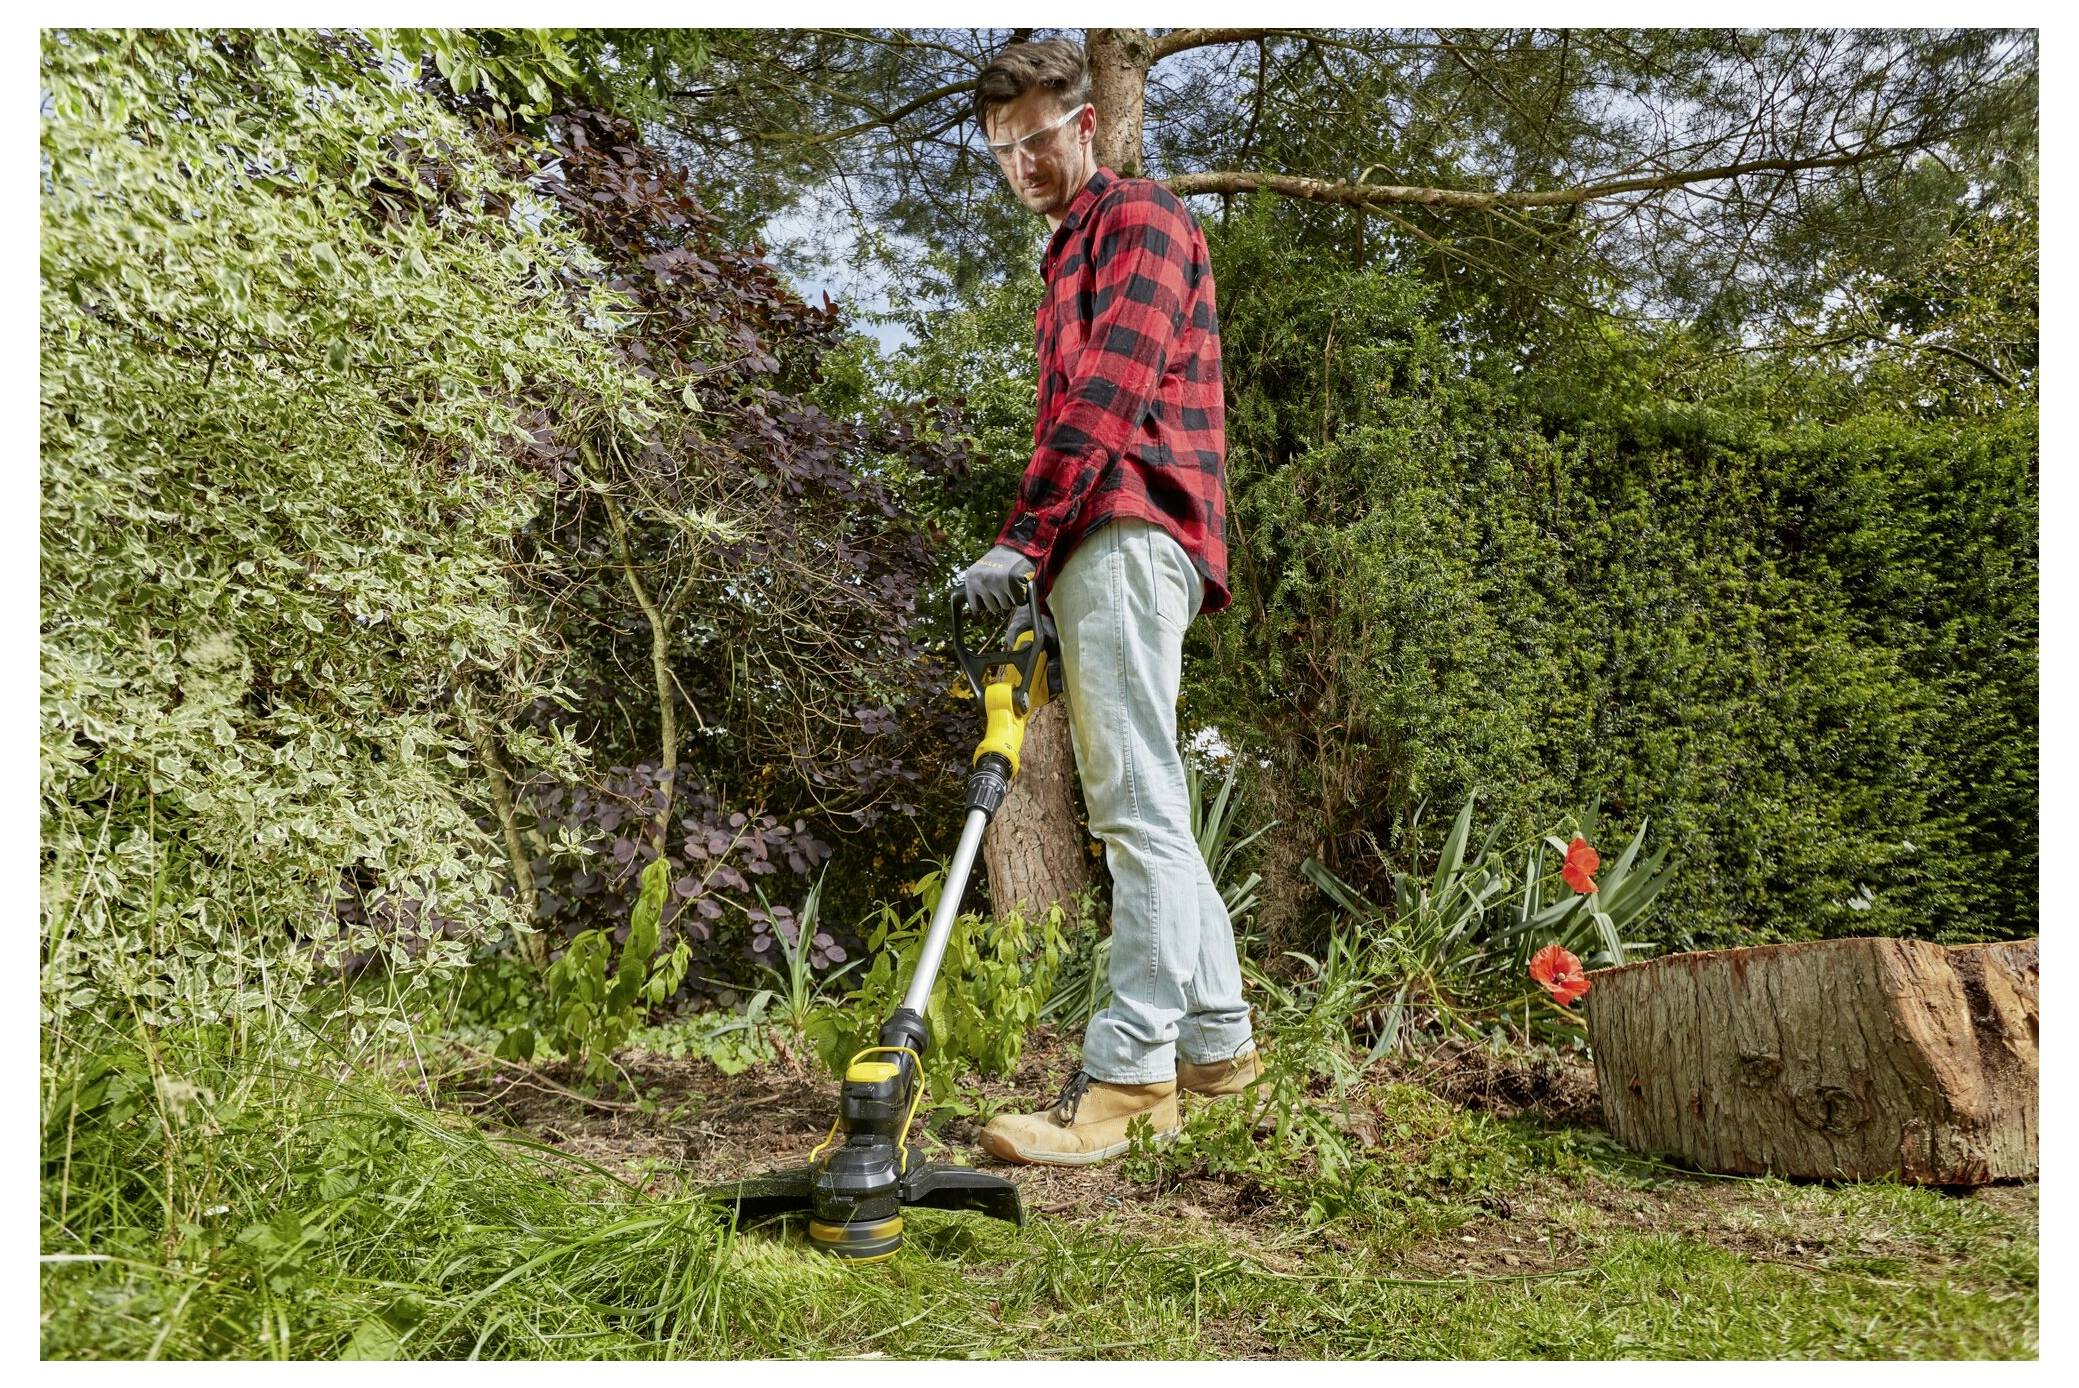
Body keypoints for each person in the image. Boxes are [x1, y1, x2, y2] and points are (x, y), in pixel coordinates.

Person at [956, 39, 1258, 1167]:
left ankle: (1130, 1077)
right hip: (1103, 537)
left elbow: (1108, 396)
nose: (1021, 162)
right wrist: (1042, 564)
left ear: (1086, 125)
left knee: (1132, 806)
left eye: (1036, 138)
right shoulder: (1065, 254)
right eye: (1001, 149)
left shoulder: (1138, 220)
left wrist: (1022, 542)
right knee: (1156, 804)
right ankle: (1220, 1049)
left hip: (1127, 527)